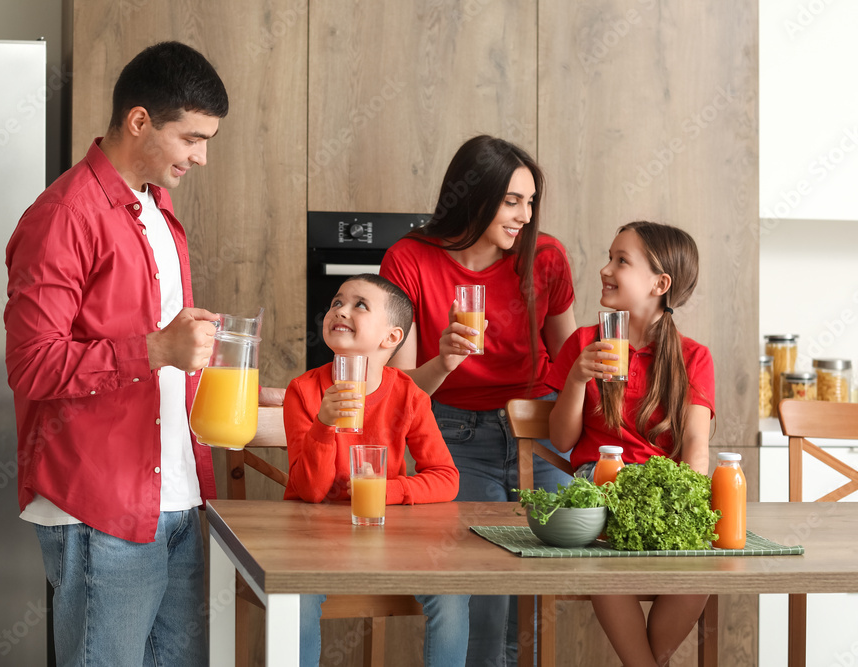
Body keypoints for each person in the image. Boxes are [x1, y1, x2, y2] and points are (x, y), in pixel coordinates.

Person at [4, 42, 229, 666]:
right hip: (101, 506)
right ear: (139, 121)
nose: (202, 157)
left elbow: (161, 365)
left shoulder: (158, 210)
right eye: (191, 138)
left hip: (179, 497)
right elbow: (32, 365)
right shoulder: (63, 216)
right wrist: (157, 347)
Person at [379, 134, 577, 666]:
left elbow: (569, 359)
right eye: (512, 201)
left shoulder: (546, 256)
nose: (524, 216)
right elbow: (403, 394)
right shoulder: (410, 259)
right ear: (475, 196)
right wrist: (442, 357)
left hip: (539, 430)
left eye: (530, 201)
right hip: (452, 432)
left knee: (559, 557)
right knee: (477, 575)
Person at [545, 221, 715, 667]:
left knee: (701, 571)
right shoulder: (585, 342)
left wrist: (689, 503)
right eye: (609, 256)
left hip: (663, 490)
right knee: (606, 564)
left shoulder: (692, 358)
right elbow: (561, 440)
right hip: (599, 483)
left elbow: (696, 445)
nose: (605, 268)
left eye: (621, 260)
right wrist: (578, 377)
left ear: (660, 284)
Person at [283, 273, 468, 667]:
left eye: (359, 305)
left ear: (391, 338)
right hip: (311, 540)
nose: (341, 310)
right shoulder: (304, 391)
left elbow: (446, 477)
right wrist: (324, 424)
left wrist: (388, 491)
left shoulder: (410, 397)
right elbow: (311, 491)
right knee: (294, 592)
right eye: (336, 302)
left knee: (454, 587)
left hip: (387, 537)